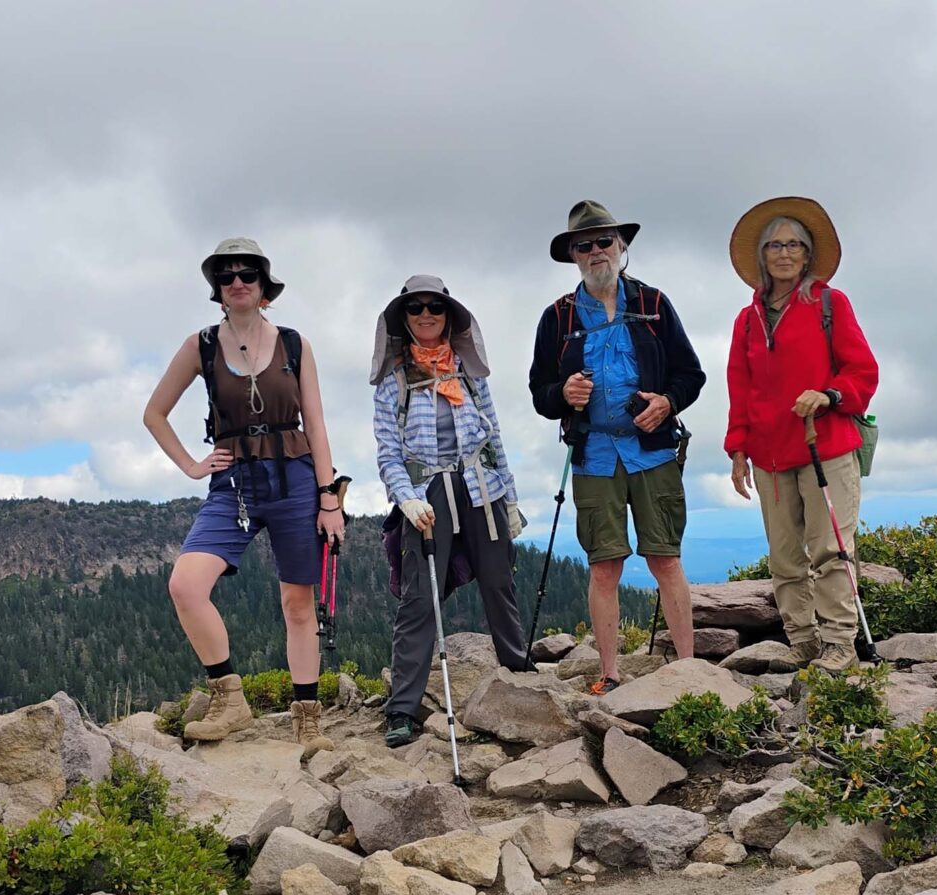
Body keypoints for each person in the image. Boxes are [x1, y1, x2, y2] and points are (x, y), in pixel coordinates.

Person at [143, 237, 346, 748]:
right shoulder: (202, 345)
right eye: (226, 276)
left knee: (299, 603)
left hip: (295, 478)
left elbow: (316, 425)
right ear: (217, 289)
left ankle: (307, 717)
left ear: (263, 286)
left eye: (247, 275)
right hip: (233, 483)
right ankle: (230, 700)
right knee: (186, 585)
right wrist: (192, 465)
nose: (237, 283)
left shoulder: (294, 344)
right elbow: (154, 413)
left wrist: (329, 498)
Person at [529, 201, 706, 696]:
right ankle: (609, 674)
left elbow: (691, 374)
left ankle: (689, 668)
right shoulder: (558, 318)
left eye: (604, 241)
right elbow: (539, 390)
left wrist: (667, 402)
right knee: (604, 564)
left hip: (651, 450)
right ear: (572, 256)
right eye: (583, 245)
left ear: (622, 247)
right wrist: (562, 394)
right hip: (595, 455)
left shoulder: (653, 304)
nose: (595, 251)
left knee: (664, 558)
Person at [371, 274, 531, 748]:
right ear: (403, 318)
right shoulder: (392, 379)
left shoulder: (466, 369)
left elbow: (492, 434)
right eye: (415, 308)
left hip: (481, 487)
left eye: (434, 308)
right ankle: (402, 708)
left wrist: (512, 497)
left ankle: (518, 671)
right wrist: (406, 498)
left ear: (447, 316)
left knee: (499, 580)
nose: (425, 315)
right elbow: (388, 453)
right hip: (426, 492)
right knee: (421, 596)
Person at [724, 197, 879, 673]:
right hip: (770, 455)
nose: (785, 253)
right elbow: (740, 386)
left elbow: (863, 371)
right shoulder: (747, 321)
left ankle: (838, 643)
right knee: (786, 557)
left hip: (824, 446)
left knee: (831, 549)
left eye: (794, 245)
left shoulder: (831, 305)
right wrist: (738, 448)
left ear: (808, 255)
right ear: (762, 256)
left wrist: (829, 395)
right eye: (775, 245)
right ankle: (802, 641)